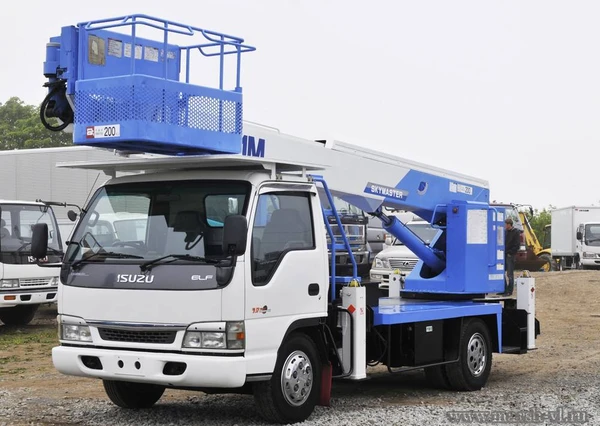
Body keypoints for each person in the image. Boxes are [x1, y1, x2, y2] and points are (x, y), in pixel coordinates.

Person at [503, 217, 521, 296]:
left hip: (510, 255)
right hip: (504, 254)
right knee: (502, 272)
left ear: (509, 225)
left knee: (510, 274)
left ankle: (510, 291)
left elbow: (517, 245)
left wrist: (510, 253)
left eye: (505, 225)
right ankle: (504, 289)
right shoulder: (505, 232)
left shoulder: (516, 232)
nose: (504, 226)